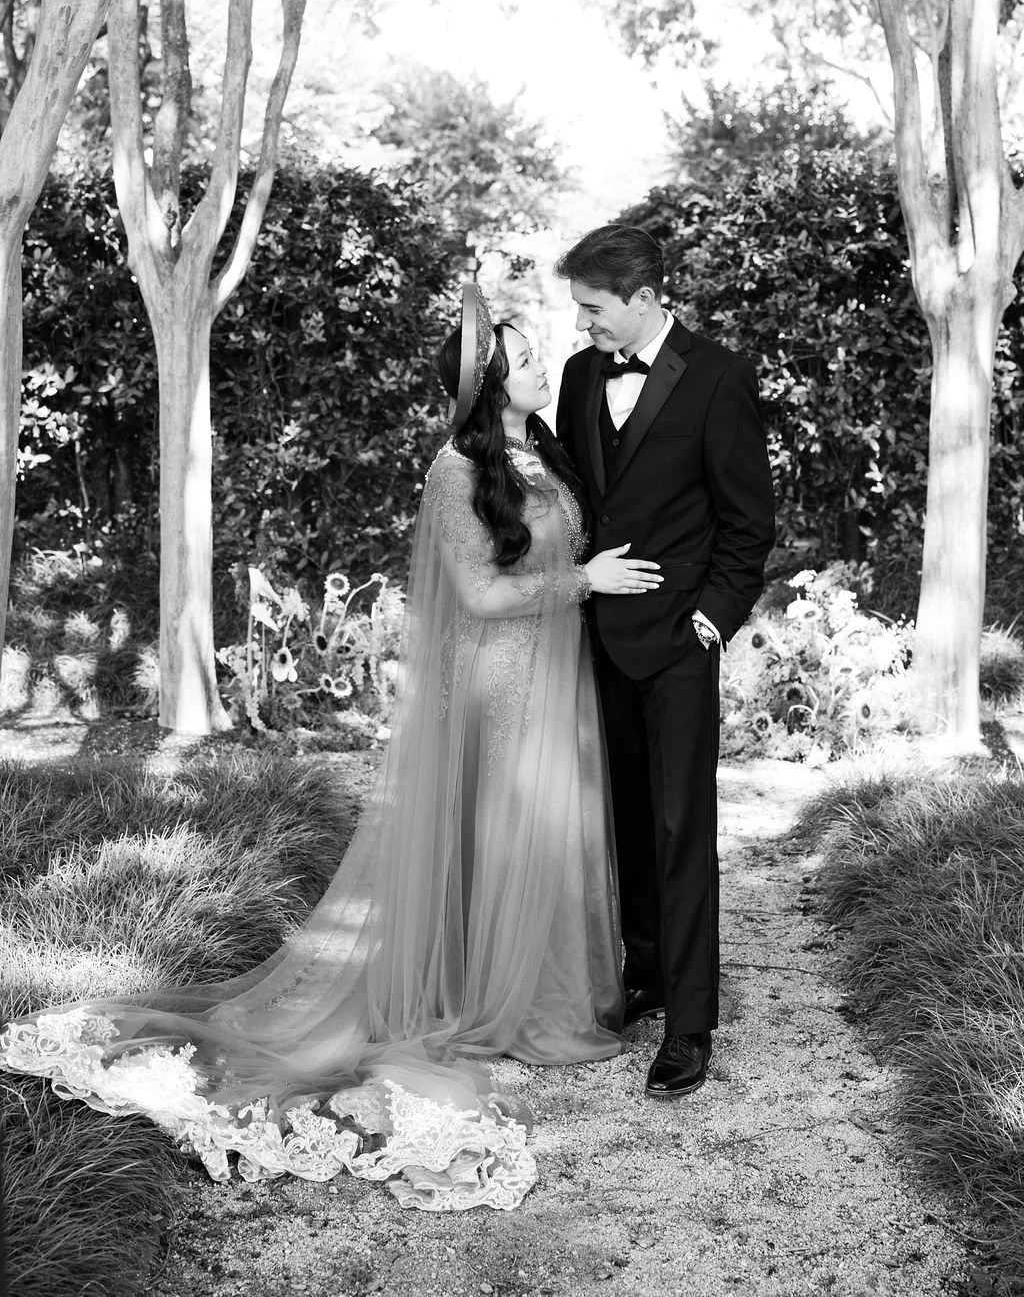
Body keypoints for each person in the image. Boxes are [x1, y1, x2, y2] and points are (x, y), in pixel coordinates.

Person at [0, 285, 662, 1212]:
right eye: (525, 354)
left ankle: (538, 995)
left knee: (546, 837)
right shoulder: (454, 469)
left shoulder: (542, 452)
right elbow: (473, 596)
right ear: (488, 380)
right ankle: (482, 1002)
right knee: (497, 835)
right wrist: (579, 577)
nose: (545, 363)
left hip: (557, 683)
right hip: (495, 688)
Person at [555, 224, 775, 1101]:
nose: (583, 327)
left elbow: (747, 525)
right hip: (593, 639)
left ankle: (690, 1023)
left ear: (643, 298)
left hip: (680, 645)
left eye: (593, 308)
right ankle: (642, 975)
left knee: (683, 832)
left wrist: (711, 623)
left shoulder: (719, 378)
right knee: (627, 824)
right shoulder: (577, 378)